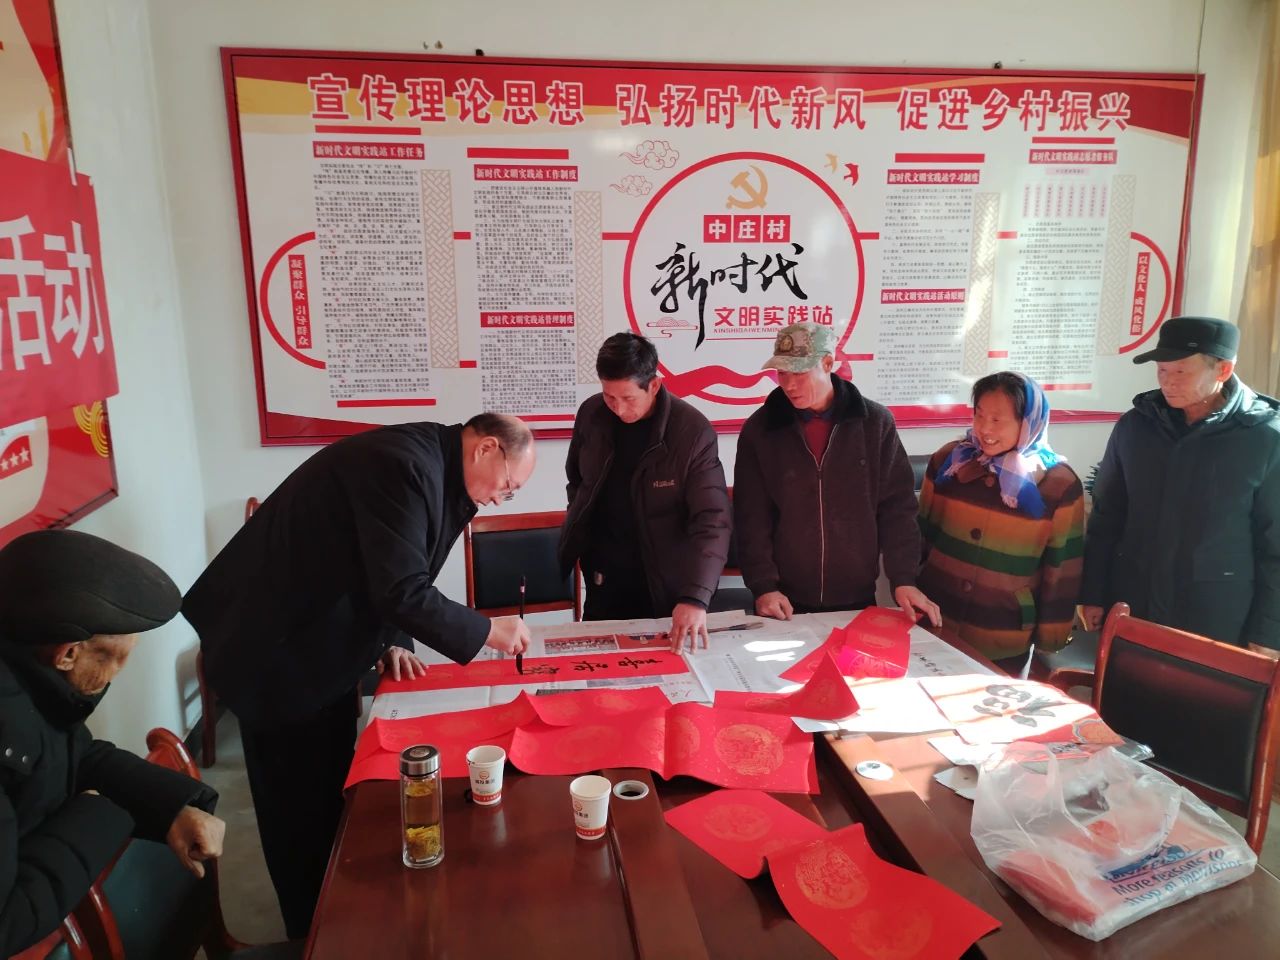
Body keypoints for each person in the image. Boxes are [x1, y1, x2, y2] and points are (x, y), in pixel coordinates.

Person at [183, 413, 536, 939]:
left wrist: (391, 639)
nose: (501, 499)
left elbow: (388, 559)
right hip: (274, 653)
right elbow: (400, 588)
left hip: (311, 646)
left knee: (328, 789)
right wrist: (487, 630)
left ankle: (333, 908)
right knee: (296, 811)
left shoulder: (432, 462)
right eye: (508, 487)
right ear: (486, 448)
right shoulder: (405, 466)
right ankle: (313, 935)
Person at [0, 530, 223, 956]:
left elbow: (75, 755)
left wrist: (172, 807)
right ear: (68, 653)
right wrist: (104, 811)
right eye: (117, 658)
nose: (117, 674)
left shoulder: (27, 675)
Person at [1081, 316, 1280, 657]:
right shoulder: (1136, 427)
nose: (1168, 382)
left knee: (1204, 691)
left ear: (1223, 370)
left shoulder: (1265, 439)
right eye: (1162, 371)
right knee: (1124, 687)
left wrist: (1268, 633)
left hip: (1218, 618)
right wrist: (1093, 593)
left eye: (1181, 372)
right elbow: (1107, 516)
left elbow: (1274, 547)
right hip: (1134, 604)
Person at [734, 322, 940, 624]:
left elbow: (897, 508)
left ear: (828, 363)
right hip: (782, 601)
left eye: (800, 373)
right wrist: (763, 586)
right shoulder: (760, 429)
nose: (789, 384)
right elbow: (751, 517)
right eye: (782, 373)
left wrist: (904, 578)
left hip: (857, 595)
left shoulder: (874, 424)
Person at [559, 333, 731, 651]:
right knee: (600, 665)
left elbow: (712, 519)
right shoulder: (592, 414)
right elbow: (577, 480)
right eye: (610, 397)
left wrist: (695, 596)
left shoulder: (691, 431)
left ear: (654, 385)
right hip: (604, 575)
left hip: (665, 584)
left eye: (628, 398)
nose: (618, 409)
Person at [917, 372, 1085, 668]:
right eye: (979, 415)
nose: (984, 428)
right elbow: (921, 536)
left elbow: (1062, 573)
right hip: (936, 617)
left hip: (1003, 633)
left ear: (1028, 422)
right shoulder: (950, 462)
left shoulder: (1058, 485)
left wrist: (1050, 641)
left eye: (997, 419)